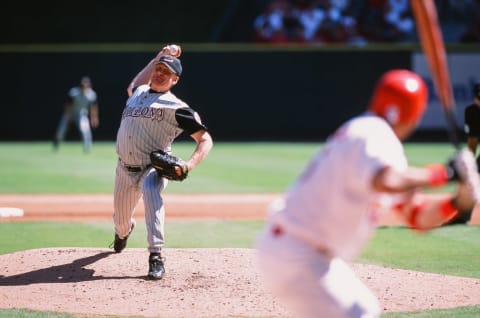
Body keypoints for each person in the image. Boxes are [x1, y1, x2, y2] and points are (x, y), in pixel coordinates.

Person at [255, 69, 480, 318]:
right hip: (297, 252)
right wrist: (447, 173)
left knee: (363, 308)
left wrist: (457, 202)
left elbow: (418, 219)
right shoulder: (371, 132)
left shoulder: (379, 140)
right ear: (415, 114)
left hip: (303, 253)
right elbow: (388, 180)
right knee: (357, 312)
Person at [111, 45, 213, 280]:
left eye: (165, 72)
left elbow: (205, 140)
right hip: (124, 169)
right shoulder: (138, 93)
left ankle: (156, 256)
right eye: (158, 69)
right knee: (121, 222)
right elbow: (135, 83)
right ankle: (123, 233)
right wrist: (159, 56)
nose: (159, 73)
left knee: (151, 191)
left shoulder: (177, 108)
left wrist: (189, 165)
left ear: (174, 79)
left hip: (152, 167)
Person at [451, 82, 480, 224]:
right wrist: (469, 165)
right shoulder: (472, 112)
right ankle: (463, 216)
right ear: (475, 98)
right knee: (473, 178)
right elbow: (473, 141)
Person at [53, 76, 99, 153]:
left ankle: (87, 148)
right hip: (69, 113)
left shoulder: (91, 95)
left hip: (81, 114)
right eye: (82, 85)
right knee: (61, 130)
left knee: (85, 130)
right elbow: (67, 106)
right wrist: (68, 117)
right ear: (80, 85)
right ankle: (57, 142)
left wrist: (94, 118)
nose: (84, 87)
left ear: (89, 86)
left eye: (86, 85)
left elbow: (93, 107)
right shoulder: (73, 93)